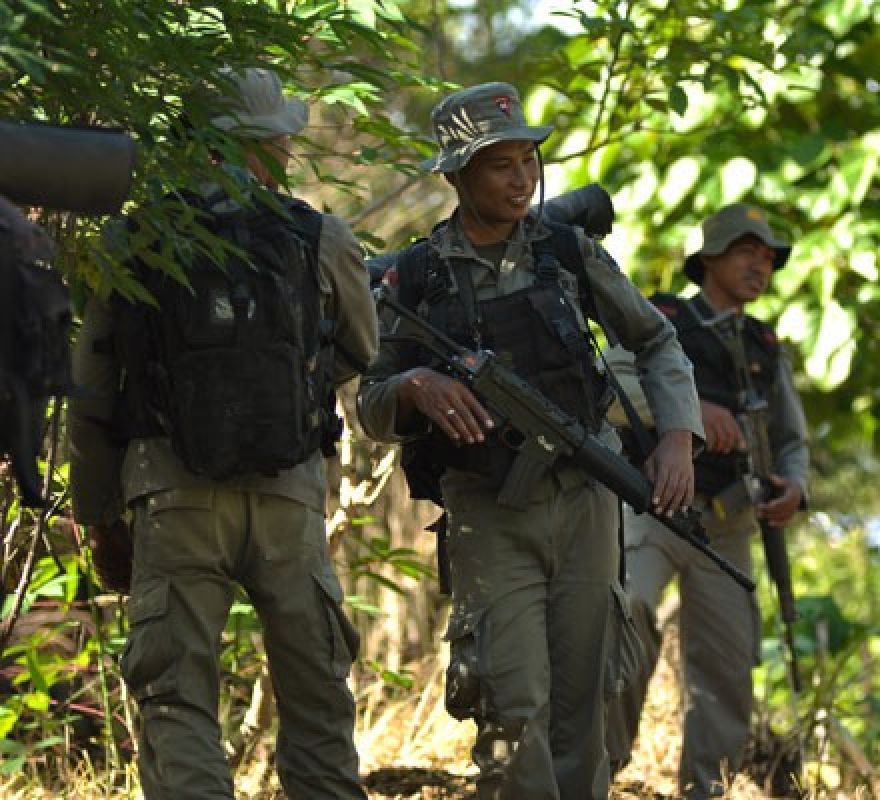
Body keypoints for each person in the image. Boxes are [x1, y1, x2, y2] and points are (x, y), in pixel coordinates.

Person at [356, 82, 702, 800]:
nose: (522, 180)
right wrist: (418, 386)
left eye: (528, 161)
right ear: (456, 175)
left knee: (585, 706)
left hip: (585, 502)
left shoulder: (569, 255)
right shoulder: (415, 277)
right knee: (513, 711)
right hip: (488, 513)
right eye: (500, 165)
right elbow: (372, 403)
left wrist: (677, 438)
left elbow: (658, 340)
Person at [68, 67, 377, 799]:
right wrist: (283, 392)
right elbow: (362, 352)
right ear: (258, 147)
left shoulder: (133, 238)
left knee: (175, 699)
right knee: (316, 697)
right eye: (279, 141)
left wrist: (96, 510)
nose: (286, 154)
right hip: (288, 492)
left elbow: (91, 387)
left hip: (171, 493)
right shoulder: (318, 235)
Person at [605, 203, 811, 799]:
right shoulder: (661, 318)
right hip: (655, 508)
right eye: (748, 252)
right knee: (627, 619)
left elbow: (792, 440)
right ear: (710, 258)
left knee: (727, 668)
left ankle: (707, 790)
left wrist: (794, 488)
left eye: (769, 258)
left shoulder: (763, 344)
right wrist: (690, 414)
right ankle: (597, 772)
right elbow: (608, 385)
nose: (760, 265)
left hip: (730, 523)